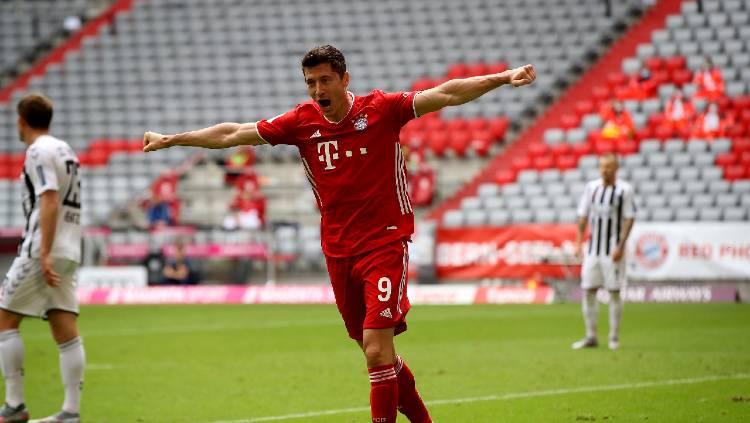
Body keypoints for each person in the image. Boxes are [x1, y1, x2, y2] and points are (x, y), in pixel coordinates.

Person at [142, 45, 536, 422]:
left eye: (325, 81)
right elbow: (233, 134)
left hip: (384, 242)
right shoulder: (300, 122)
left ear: (345, 79)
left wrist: (504, 77)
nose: (317, 91)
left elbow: (447, 93)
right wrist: (174, 139)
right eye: (311, 82)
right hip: (338, 251)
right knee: (374, 350)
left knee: (377, 351)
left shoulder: (382, 109)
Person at [0, 94, 85, 422]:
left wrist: (44, 252)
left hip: (42, 248)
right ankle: (71, 411)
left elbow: (48, 199)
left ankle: (14, 405)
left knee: (5, 319)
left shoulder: (38, 150)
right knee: (65, 326)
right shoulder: (65, 150)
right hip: (69, 245)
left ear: (21, 120)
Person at [573, 153, 636, 351]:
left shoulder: (624, 190)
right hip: (593, 249)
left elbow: (629, 218)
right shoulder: (591, 188)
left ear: (616, 168)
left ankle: (614, 337)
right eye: (601, 166)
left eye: (608, 167)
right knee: (588, 291)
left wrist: (621, 245)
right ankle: (591, 336)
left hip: (612, 250)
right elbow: (583, 215)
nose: (604, 170)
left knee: (614, 292)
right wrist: (578, 242)